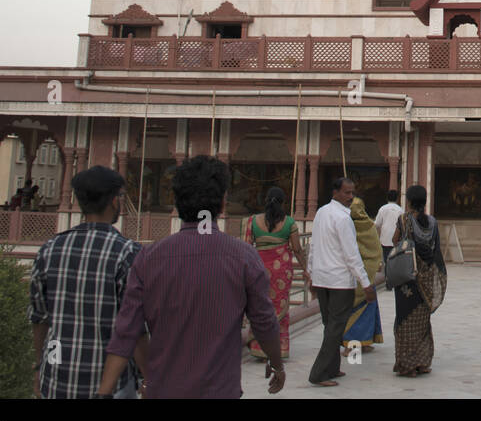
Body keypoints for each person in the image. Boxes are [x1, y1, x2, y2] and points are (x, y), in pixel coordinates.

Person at [97, 155, 285, 398]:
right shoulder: (244, 257)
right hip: (219, 390)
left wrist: (104, 392)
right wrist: (276, 363)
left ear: (176, 200)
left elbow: (126, 333)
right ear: (223, 203)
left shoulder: (149, 258)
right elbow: (264, 322)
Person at [28, 166, 145, 399]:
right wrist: (150, 376)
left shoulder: (49, 250)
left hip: (57, 379)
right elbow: (133, 328)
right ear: (114, 201)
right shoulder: (127, 252)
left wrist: (37, 367)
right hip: (109, 384)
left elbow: (39, 319)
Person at [306, 177, 375, 387]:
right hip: (338, 281)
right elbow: (351, 254)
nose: (350, 197)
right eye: (346, 193)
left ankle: (332, 367)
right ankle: (318, 373)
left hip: (323, 277)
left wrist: (311, 272)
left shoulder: (321, 213)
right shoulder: (343, 219)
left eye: (352, 193)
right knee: (335, 327)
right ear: (335, 193)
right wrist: (366, 283)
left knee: (331, 325)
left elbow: (313, 245)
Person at [243, 186, 307, 360]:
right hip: (281, 272)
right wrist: (306, 270)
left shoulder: (252, 221)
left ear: (265, 201)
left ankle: (259, 346)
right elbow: (297, 249)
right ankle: (278, 348)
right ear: (283, 202)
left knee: (259, 305)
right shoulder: (289, 223)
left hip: (259, 269)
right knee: (280, 306)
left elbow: (246, 248)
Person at [392, 184, 447, 378]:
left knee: (405, 322)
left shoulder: (404, 220)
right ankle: (423, 363)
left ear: (409, 201)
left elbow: (395, 241)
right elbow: (435, 249)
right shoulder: (432, 222)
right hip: (426, 276)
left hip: (408, 278)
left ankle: (408, 364)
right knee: (422, 322)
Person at [341, 196, 384, 352]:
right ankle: (352, 346)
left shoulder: (344, 223)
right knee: (363, 308)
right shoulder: (367, 225)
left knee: (353, 309)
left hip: (349, 273)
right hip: (366, 274)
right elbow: (375, 249)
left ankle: (362, 342)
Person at [375, 190, 403, 272]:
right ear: (397, 198)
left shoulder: (382, 209)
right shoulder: (400, 210)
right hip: (397, 241)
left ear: (387, 198)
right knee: (395, 262)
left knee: (387, 261)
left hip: (385, 240)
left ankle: (388, 279)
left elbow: (377, 224)